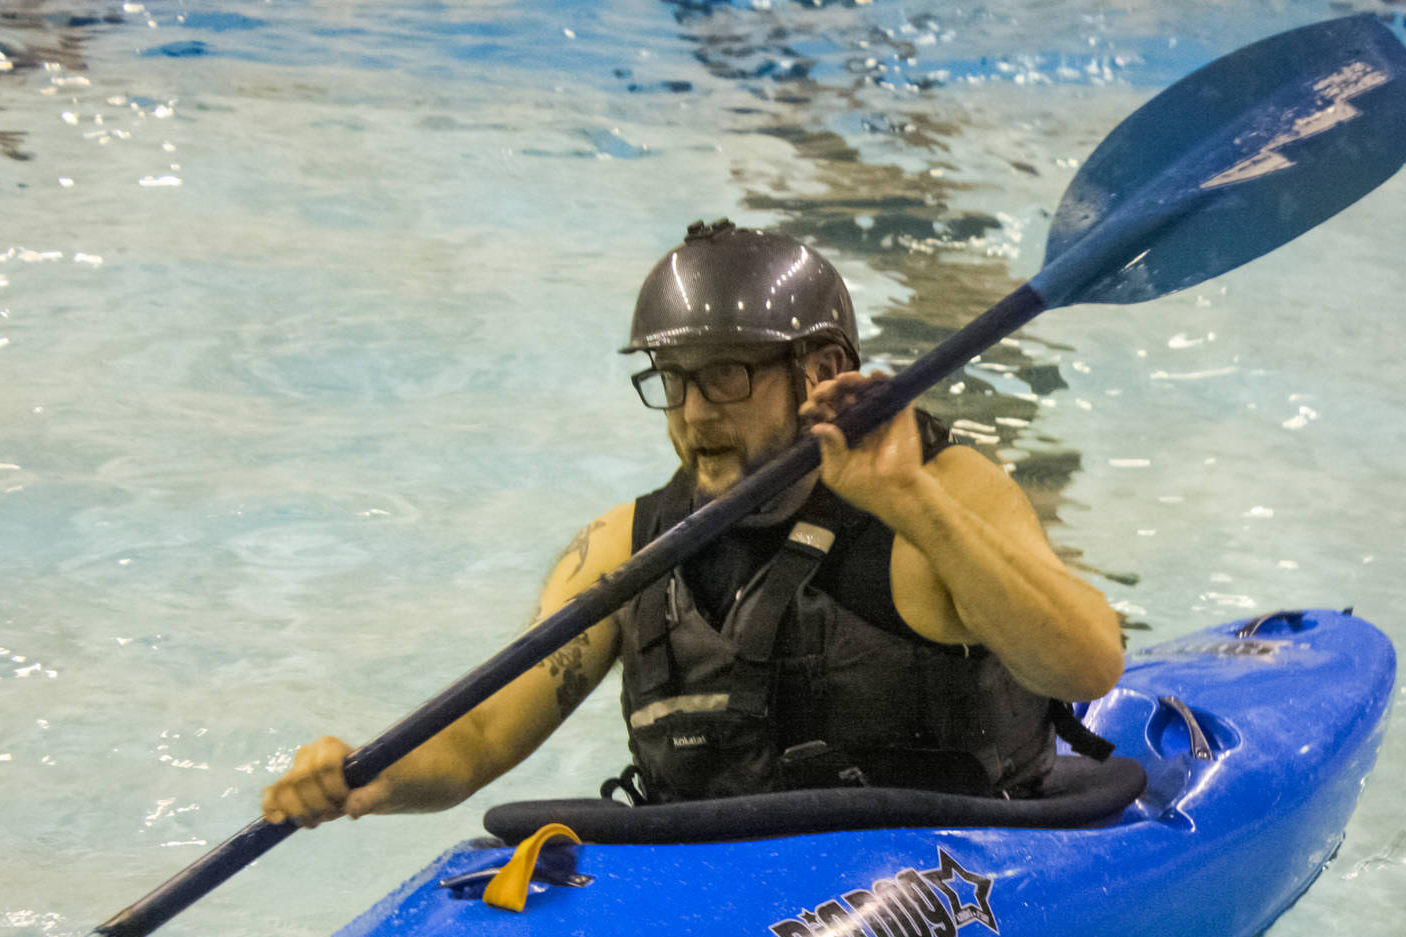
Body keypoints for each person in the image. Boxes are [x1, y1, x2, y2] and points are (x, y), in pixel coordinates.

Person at [261, 219, 1124, 828]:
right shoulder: (624, 548)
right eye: (672, 379)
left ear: (820, 370)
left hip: (950, 864)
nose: (691, 414)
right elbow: (482, 735)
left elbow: (1086, 659)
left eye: (725, 378)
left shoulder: (942, 494)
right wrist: (365, 777)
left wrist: (911, 503)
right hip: (725, 899)